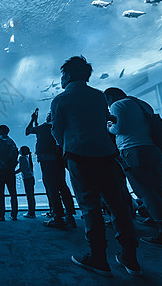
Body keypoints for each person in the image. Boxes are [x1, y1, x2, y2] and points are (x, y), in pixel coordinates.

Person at [50, 56, 140, 276]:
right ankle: (130, 258)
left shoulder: (60, 100)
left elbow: (56, 131)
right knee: (117, 206)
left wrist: (64, 148)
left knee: (90, 207)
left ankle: (98, 257)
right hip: (106, 156)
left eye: (62, 74)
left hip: (79, 156)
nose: (61, 78)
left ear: (68, 75)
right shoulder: (99, 96)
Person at [104, 87, 162, 248]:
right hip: (152, 150)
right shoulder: (142, 104)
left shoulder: (117, 106)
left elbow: (119, 129)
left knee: (146, 193)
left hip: (133, 150)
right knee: (159, 191)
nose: (108, 105)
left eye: (106, 101)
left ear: (110, 97)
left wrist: (108, 126)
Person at [25, 111, 76, 227]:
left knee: (51, 187)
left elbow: (28, 131)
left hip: (46, 159)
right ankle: (70, 215)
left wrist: (32, 119)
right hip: (59, 159)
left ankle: (58, 217)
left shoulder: (44, 127)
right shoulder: (61, 127)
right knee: (62, 186)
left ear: (49, 118)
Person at [0, 125, 19, 221]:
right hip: (10, 170)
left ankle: (1, 214)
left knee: (0, 193)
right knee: (13, 192)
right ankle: (14, 214)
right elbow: (16, 154)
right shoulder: (11, 142)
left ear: (1, 130)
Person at [15, 146, 36, 218]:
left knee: (29, 196)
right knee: (31, 195)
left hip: (27, 179)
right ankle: (32, 212)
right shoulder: (27, 158)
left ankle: (30, 213)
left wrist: (13, 173)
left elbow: (21, 169)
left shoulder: (21, 158)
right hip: (31, 177)